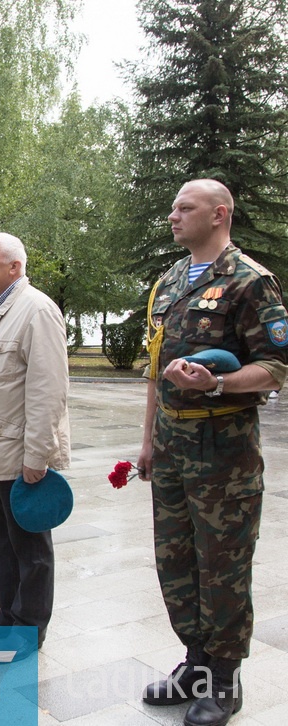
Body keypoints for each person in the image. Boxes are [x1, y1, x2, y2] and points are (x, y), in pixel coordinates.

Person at [136, 179, 287, 726]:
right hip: (173, 445)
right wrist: (148, 440)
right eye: (173, 206)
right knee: (175, 560)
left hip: (223, 448)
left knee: (222, 565)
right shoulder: (173, 279)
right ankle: (195, 663)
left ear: (219, 214)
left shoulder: (250, 281)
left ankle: (224, 679)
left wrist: (218, 385)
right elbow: (155, 368)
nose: (173, 215)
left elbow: (275, 366)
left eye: (185, 207)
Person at [0, 232, 70, 653]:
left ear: (15, 267)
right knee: (2, 544)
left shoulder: (36, 310)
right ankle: (8, 614)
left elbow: (48, 390)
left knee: (30, 550)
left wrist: (37, 456)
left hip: (20, 456)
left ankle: (29, 629)